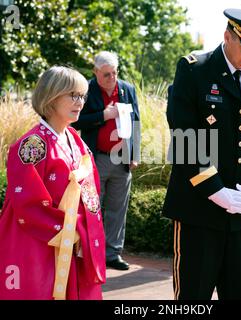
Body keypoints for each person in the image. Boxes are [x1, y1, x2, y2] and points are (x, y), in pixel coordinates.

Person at [163, 8, 241, 300]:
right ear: (228, 36)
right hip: (199, 210)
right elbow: (185, 136)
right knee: (193, 297)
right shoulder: (194, 70)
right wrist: (216, 191)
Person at [0, 66, 106, 300]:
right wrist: (73, 231)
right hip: (37, 240)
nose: (80, 102)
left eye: (82, 96)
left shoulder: (76, 140)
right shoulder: (31, 145)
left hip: (71, 238)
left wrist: (82, 231)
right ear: (51, 96)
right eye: (72, 95)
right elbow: (28, 202)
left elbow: (91, 192)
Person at [72, 51, 141, 271]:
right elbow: (76, 121)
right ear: (95, 72)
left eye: (114, 73)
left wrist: (135, 154)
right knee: (91, 208)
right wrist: (103, 115)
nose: (111, 78)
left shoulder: (127, 90)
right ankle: (88, 253)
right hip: (96, 158)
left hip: (122, 159)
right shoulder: (85, 90)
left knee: (117, 210)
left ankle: (112, 254)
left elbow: (136, 122)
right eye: (106, 75)